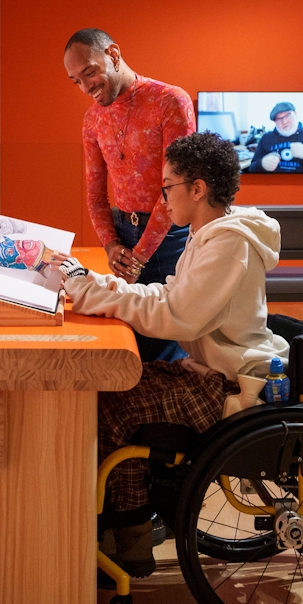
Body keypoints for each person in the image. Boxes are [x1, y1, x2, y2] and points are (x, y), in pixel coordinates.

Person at [51, 132, 290, 577]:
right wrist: (99, 286)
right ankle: (123, 530)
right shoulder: (210, 235)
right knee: (112, 393)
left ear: (196, 189)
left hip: (230, 384)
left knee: (114, 409)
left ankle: (128, 542)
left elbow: (176, 316)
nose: (161, 200)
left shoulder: (227, 243)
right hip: (212, 371)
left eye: (167, 188)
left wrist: (91, 290)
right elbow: (169, 296)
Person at [63, 28, 195, 361]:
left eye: (89, 72)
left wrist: (139, 255)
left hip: (170, 236)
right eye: (75, 80)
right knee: (129, 335)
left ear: (113, 54)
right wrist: (111, 245)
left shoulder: (169, 100)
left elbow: (175, 188)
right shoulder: (92, 119)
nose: (85, 86)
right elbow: (94, 194)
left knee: (167, 333)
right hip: (123, 235)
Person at [247, 101, 303, 174]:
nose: (285, 121)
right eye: (279, 119)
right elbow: (251, 169)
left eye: (288, 116)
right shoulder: (266, 138)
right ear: (275, 122)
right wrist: (262, 164)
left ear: (296, 114)